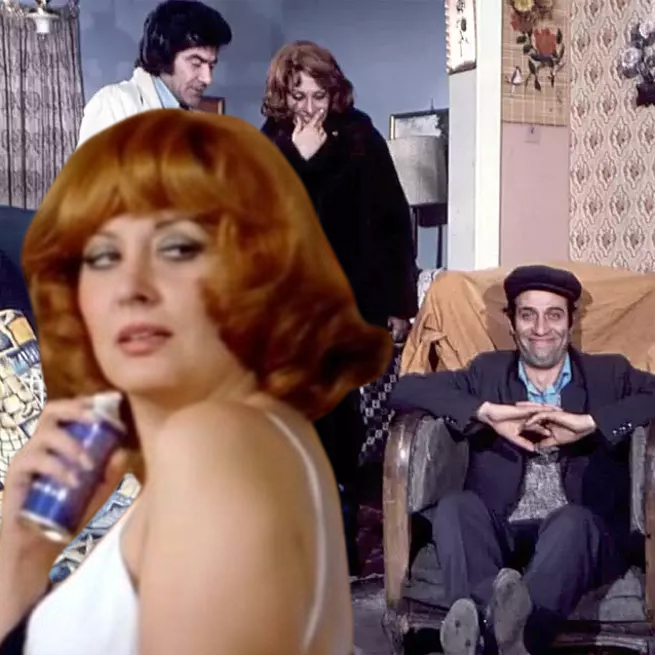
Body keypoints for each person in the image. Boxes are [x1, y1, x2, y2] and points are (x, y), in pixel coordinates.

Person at [0, 108, 392, 655]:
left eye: (177, 248)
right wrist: (24, 548)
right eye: (104, 254)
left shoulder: (210, 448)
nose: (131, 286)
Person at [389, 264, 655, 655]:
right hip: (503, 527)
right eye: (528, 315)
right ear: (512, 323)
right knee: (455, 507)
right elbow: (404, 389)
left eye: (554, 315)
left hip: (578, 537)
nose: (541, 328)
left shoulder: (609, 374)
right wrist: (486, 412)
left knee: (572, 522)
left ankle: (496, 639)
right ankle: (501, 635)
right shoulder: (487, 372)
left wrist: (592, 423)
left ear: (571, 322)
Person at [261, 41, 418, 573]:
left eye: (319, 95)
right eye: (298, 96)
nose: (310, 108)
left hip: (348, 306)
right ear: (283, 95)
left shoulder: (360, 137)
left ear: (335, 93)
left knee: (338, 427)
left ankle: (339, 549)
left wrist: (400, 302)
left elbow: (394, 222)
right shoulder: (270, 144)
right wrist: (300, 161)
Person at [77, 0, 232, 145]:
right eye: (196, 64)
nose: (207, 78)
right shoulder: (113, 107)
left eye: (211, 66)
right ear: (165, 56)